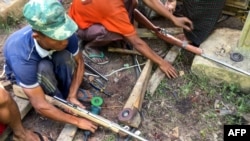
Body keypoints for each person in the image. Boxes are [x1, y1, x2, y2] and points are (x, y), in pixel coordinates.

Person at [3, 0, 97, 134]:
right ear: (37, 36)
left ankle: (67, 96)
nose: (65, 40)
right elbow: (40, 105)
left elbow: (80, 63)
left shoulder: (66, 34)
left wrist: (72, 93)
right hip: (28, 74)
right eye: (58, 37)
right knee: (44, 68)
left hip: (49, 57)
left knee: (64, 56)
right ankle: (60, 101)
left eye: (65, 34)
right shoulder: (21, 55)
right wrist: (76, 121)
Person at [69, 0, 178, 79]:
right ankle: (91, 47)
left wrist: (153, 28)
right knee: (116, 32)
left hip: (95, 15)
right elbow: (136, 43)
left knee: (133, 3)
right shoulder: (111, 6)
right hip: (81, 26)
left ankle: (117, 32)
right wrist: (161, 62)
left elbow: (134, 11)